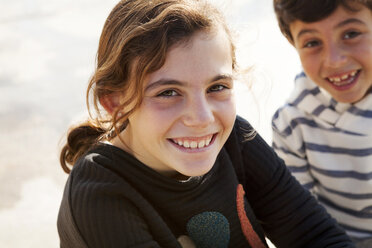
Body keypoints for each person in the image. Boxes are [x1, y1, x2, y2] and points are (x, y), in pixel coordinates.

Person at [57, 0, 354, 247]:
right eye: (168, 92)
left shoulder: (237, 139)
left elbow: (316, 237)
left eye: (217, 87)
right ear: (114, 102)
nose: (202, 119)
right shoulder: (99, 196)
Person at [271, 0, 372, 247]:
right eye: (312, 43)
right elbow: (300, 224)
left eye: (351, 34)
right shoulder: (292, 124)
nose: (334, 60)